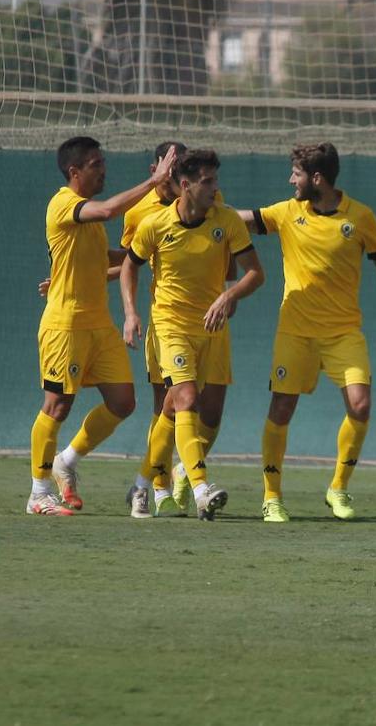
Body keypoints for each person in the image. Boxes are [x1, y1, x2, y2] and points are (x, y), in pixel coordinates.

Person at [238, 143, 376, 523]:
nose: (290, 180)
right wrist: (199, 204)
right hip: (295, 332)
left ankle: (338, 488)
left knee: (360, 406)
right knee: (281, 409)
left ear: (317, 179)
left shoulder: (360, 217)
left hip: (343, 333)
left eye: (295, 174)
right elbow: (242, 219)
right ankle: (272, 497)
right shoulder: (287, 212)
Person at [27, 137, 175, 516]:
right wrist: (154, 181)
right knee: (58, 405)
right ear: (74, 171)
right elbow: (109, 210)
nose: (103, 169)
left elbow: (108, 258)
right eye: (95, 164)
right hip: (65, 325)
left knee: (123, 402)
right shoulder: (64, 203)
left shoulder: (87, 220)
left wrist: (152, 250)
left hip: (98, 323)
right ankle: (39, 492)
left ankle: (66, 461)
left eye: (102, 162)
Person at [120, 149, 265, 521]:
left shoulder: (226, 220)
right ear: (185, 185)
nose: (215, 188)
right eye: (207, 181)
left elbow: (255, 273)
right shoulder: (155, 224)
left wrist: (229, 295)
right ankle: (201, 488)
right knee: (184, 398)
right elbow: (129, 267)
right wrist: (131, 313)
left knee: (186, 411)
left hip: (212, 327)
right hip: (170, 326)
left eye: (216, 180)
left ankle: (141, 484)